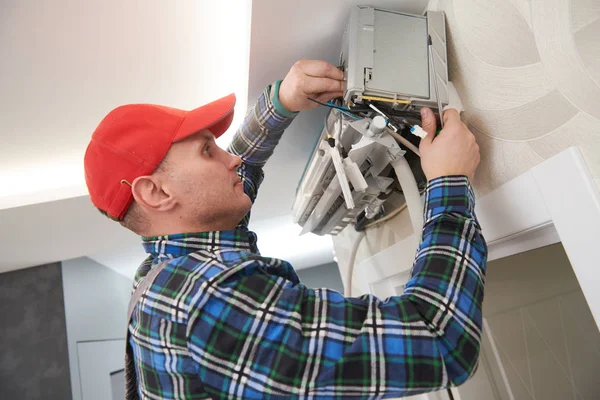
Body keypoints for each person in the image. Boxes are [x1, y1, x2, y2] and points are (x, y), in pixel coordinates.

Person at [84, 59, 486, 399]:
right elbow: (438, 337)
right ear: (156, 193)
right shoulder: (207, 299)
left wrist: (280, 101)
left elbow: (240, 169)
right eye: (208, 150)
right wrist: (449, 181)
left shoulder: (166, 273)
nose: (232, 161)